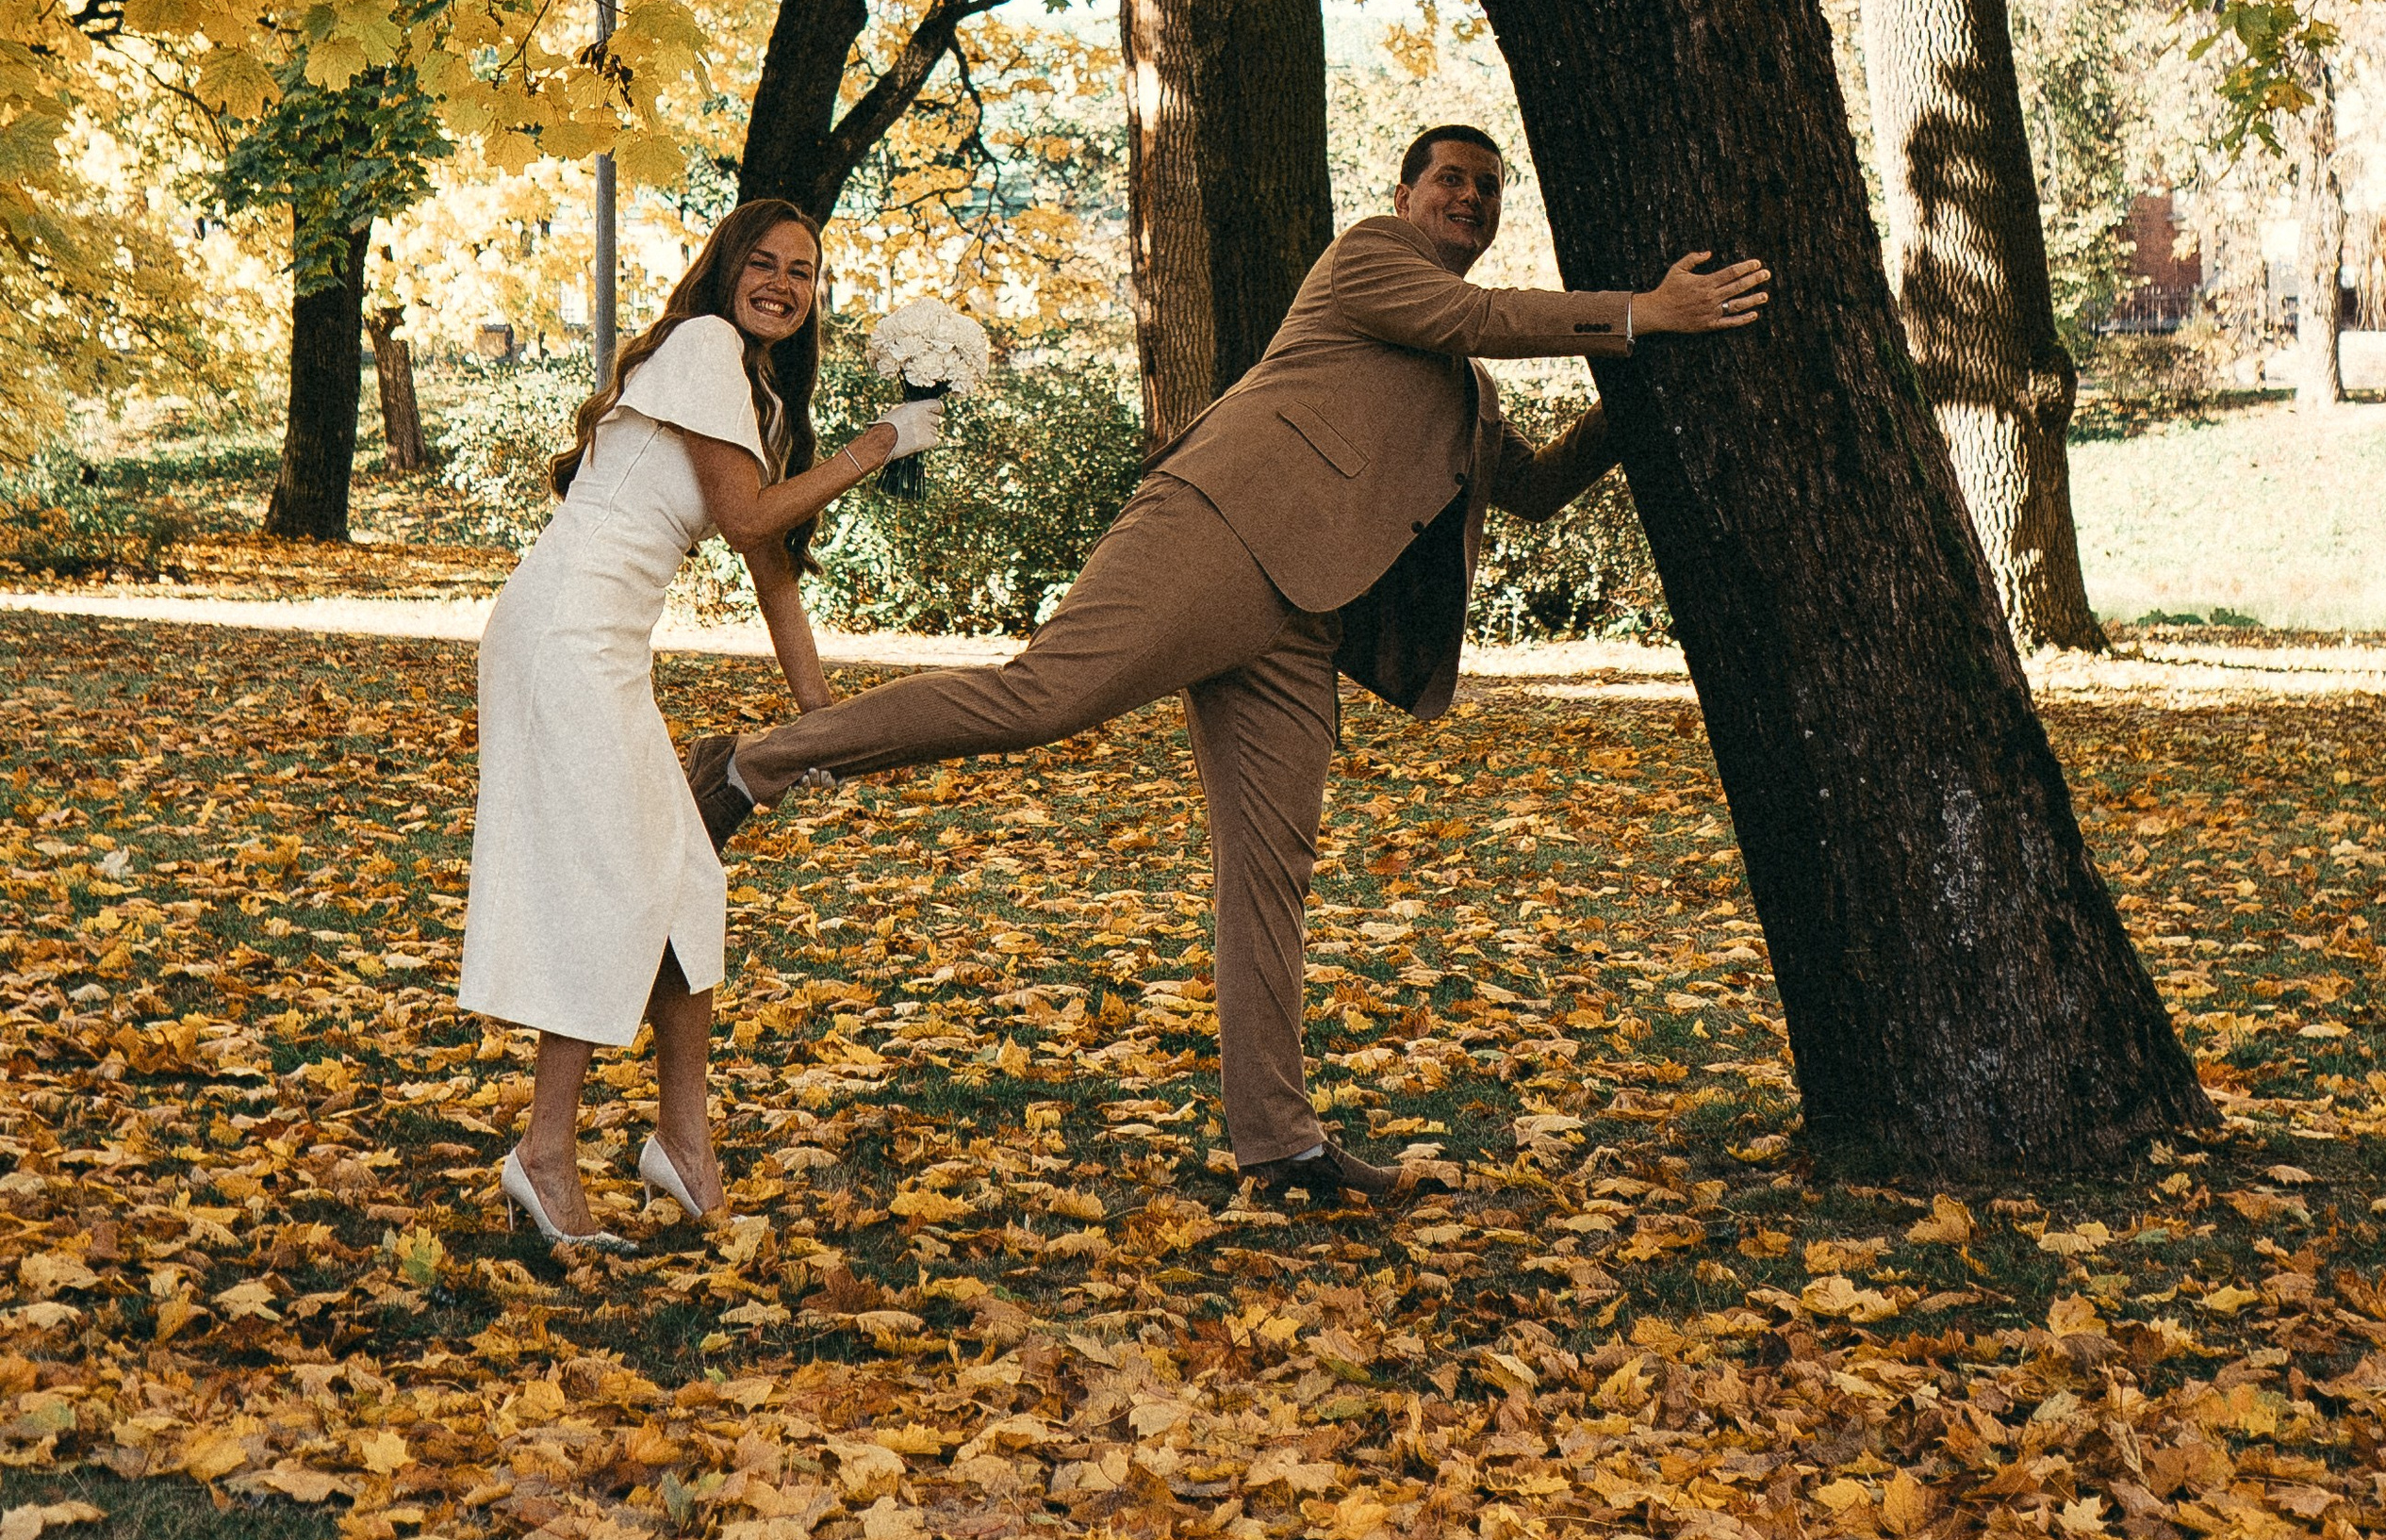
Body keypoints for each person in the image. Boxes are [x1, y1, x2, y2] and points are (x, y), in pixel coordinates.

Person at [685, 131, 1769, 1210]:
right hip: (1214, 532)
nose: (1469, 197)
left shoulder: (1469, 393)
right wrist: (1641, 313)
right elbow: (1474, 315)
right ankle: (753, 763)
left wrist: (1652, 388)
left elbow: (1528, 490)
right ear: (1405, 193)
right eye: (1451, 177)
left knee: (1269, 872)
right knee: (1040, 696)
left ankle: (1281, 1146)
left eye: (1488, 188)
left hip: (1304, 626)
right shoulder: (1370, 260)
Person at [458, 195, 941, 1245]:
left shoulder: (751, 397)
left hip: (602, 648)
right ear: (727, 274)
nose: (780, 283)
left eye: (801, 271)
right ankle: (543, 1154)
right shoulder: (701, 344)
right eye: (761, 263)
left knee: (686, 880)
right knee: (618, 880)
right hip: (562, 638)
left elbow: (772, 574)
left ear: (816, 295)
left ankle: (683, 1146)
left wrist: (822, 723)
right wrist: (878, 445)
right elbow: (748, 516)